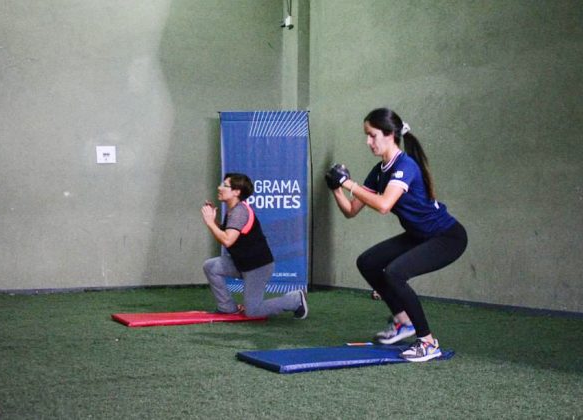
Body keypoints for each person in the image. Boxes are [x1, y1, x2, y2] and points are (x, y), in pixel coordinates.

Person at [326, 108, 468, 362]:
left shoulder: (405, 166)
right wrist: (336, 188)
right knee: (368, 262)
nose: (368, 142)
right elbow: (350, 210)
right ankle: (403, 322)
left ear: (390, 134)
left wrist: (348, 183)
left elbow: (383, 205)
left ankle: (428, 342)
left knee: (395, 273)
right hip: (418, 235)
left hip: (447, 237)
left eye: (372, 135)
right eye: (366, 136)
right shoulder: (379, 171)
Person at [201, 173, 308, 319]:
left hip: (257, 267)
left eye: (224, 185)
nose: (219, 187)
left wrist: (209, 223)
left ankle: (294, 300)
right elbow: (229, 233)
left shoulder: (239, 212)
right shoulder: (233, 210)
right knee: (211, 266)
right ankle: (227, 307)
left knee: (253, 311)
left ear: (236, 192)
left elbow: (227, 240)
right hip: (241, 263)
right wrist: (214, 222)